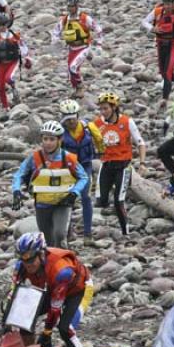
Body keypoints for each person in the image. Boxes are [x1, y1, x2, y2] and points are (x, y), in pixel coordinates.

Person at [8, 232, 93, 347]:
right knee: (24, 316)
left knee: (65, 328)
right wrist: (7, 322)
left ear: (41, 254)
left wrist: (47, 333)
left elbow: (55, 308)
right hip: (54, 288)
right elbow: (13, 295)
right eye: (23, 260)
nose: (27, 264)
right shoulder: (21, 267)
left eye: (30, 260)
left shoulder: (61, 270)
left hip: (79, 289)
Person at [12, 121, 88, 248]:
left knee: (59, 235)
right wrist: (16, 190)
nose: (47, 143)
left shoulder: (68, 158)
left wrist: (74, 193)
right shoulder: (35, 157)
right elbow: (19, 174)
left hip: (62, 203)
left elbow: (83, 177)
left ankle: (64, 259)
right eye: (45, 139)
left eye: (52, 139)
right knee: (47, 240)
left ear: (60, 140)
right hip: (42, 204)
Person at [92, 91, 148, 237]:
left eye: (106, 108)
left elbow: (140, 143)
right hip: (106, 165)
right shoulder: (97, 124)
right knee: (101, 201)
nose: (103, 112)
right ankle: (113, 210)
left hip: (123, 166)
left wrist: (142, 163)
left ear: (114, 108)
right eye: (101, 109)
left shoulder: (127, 122)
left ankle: (125, 232)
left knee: (119, 200)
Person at [60, 99, 104, 246]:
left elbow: (99, 141)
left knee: (85, 197)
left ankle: (88, 234)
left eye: (73, 118)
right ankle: (67, 232)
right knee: (67, 200)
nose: (70, 122)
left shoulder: (88, 127)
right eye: (67, 119)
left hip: (85, 167)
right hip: (67, 170)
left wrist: (103, 155)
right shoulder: (60, 132)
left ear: (77, 115)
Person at [52, 0, 103, 98]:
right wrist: (56, 41)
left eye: (72, 6)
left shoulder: (85, 18)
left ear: (77, 6)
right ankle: (76, 90)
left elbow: (98, 29)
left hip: (83, 47)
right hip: (71, 48)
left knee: (73, 67)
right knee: (70, 73)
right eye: (68, 6)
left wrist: (99, 44)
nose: (70, 9)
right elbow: (56, 31)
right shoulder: (65, 19)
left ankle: (80, 86)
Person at [0, 12, 31, 120]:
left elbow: (23, 46)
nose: (2, 27)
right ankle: (5, 106)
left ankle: (14, 89)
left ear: (7, 24)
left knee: (9, 78)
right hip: (1, 63)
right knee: (0, 86)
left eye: (4, 24)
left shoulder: (14, 35)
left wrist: (27, 59)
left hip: (13, 62)